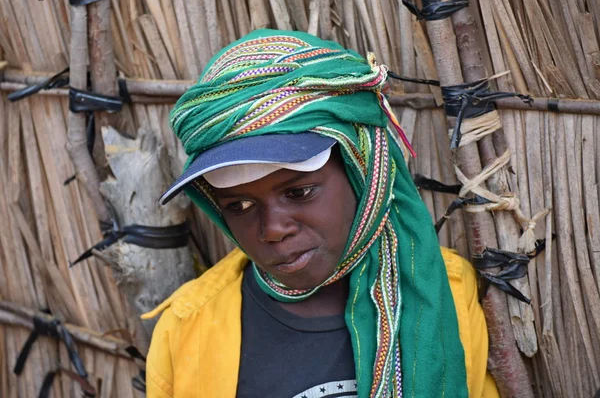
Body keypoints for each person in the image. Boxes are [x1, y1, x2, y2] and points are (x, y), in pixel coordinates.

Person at [143, 29, 499, 398]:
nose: (273, 230)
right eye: (239, 206)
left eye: (299, 192)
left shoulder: (448, 293)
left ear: (363, 171)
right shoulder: (188, 329)